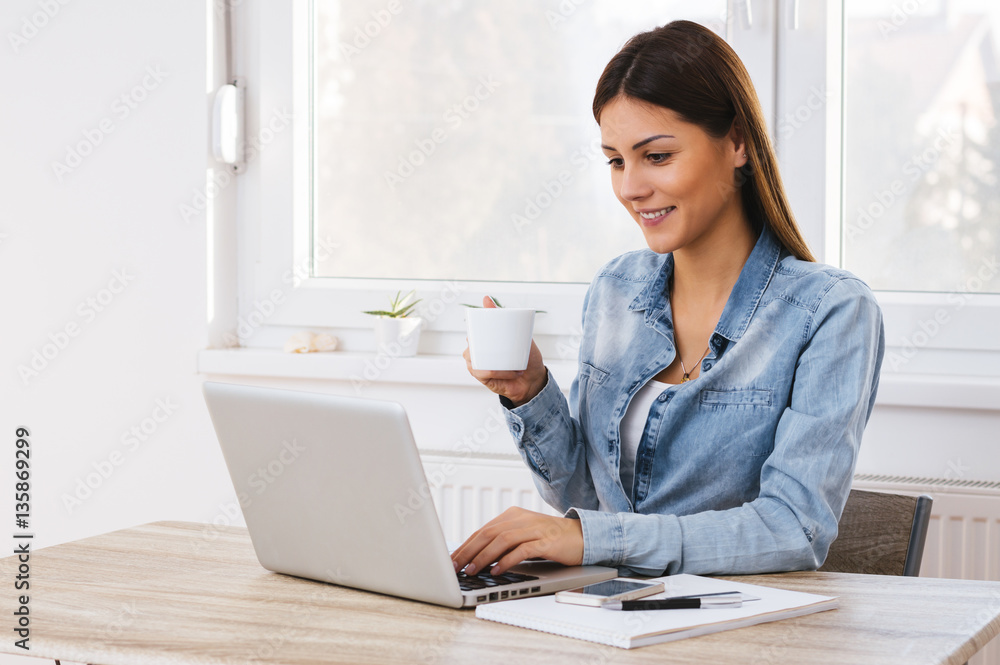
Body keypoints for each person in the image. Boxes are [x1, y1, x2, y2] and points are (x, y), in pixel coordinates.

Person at [450, 20, 885, 579]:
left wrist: (592, 538)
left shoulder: (831, 312)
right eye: (615, 160)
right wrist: (530, 393)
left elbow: (792, 528)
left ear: (737, 142)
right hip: (616, 615)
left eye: (656, 156)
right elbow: (588, 498)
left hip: (739, 633)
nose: (630, 187)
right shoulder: (615, 289)